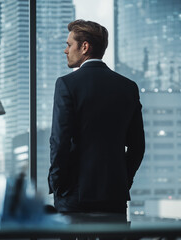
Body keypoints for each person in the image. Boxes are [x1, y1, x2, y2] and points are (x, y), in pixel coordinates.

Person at [48, 19, 145, 215]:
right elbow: (137, 146)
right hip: (114, 195)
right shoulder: (128, 87)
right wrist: (123, 181)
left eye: (68, 45)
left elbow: (60, 142)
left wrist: (57, 185)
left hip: (74, 194)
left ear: (84, 47)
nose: (65, 50)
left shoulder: (67, 84)